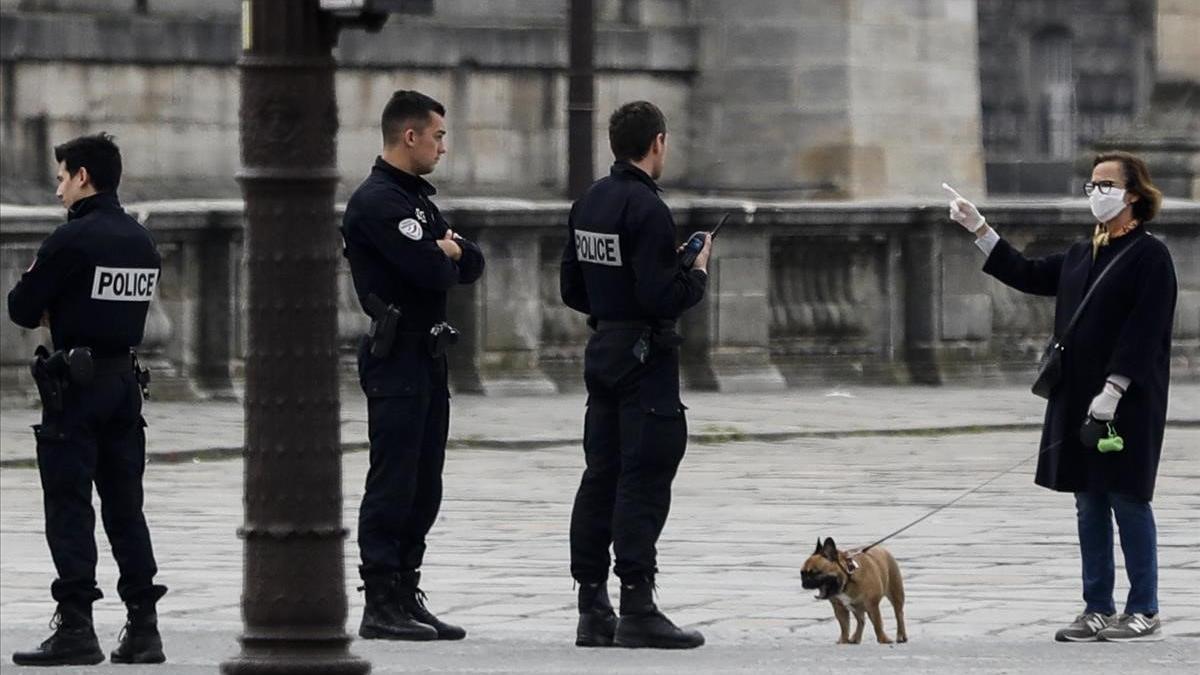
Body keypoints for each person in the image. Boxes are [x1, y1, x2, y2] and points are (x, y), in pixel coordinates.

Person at [946, 151, 1176, 643]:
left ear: (1133, 193)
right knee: (1087, 499)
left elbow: (1146, 330)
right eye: (1092, 185)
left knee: (1128, 497)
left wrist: (1115, 388)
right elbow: (1027, 274)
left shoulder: (1150, 255)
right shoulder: (1082, 252)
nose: (1097, 193)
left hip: (1128, 399)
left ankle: (1144, 608)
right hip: (1075, 395)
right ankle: (1097, 607)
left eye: (1107, 184)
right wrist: (979, 228)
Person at [8, 133, 167, 666]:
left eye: (60, 178)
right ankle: (144, 627)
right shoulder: (141, 241)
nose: (57, 192)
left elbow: (23, 307)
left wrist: (58, 305)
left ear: (82, 177)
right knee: (127, 509)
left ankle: (77, 625)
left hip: (75, 389)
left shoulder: (71, 240)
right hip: (125, 385)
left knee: (70, 506)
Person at [559, 100, 711, 650]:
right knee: (644, 475)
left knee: (600, 474)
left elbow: (572, 289)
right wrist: (693, 273)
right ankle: (639, 605)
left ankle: (591, 606)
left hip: (603, 348)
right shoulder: (648, 208)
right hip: (646, 357)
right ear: (658, 143)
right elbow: (659, 294)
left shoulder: (590, 202)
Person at [341, 90, 484, 641]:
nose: (443, 146)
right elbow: (433, 270)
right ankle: (380, 600)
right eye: (439, 136)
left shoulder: (417, 202)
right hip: (395, 356)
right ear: (410, 136)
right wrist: (443, 252)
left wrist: (448, 251)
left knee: (426, 483)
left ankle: (405, 588)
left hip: (427, 356)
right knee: (394, 480)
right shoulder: (378, 202)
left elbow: (470, 262)